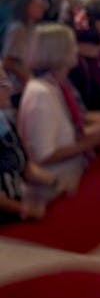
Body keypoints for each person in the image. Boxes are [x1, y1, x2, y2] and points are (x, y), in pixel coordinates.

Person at [18, 24, 100, 197]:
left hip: (75, 175)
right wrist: (91, 141)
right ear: (58, 51)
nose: (76, 50)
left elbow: (75, 123)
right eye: (72, 45)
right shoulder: (40, 94)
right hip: (57, 188)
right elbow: (44, 154)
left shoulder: (57, 85)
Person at [0, 72, 58, 221]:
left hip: (20, 206)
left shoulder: (5, 121)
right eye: (3, 84)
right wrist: (25, 210)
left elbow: (24, 166)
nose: (10, 87)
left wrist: (54, 182)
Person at [3, 0, 48, 90]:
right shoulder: (17, 29)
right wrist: (30, 80)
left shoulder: (32, 28)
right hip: (18, 87)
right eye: (37, 5)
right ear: (26, 6)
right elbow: (8, 61)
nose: (41, 8)